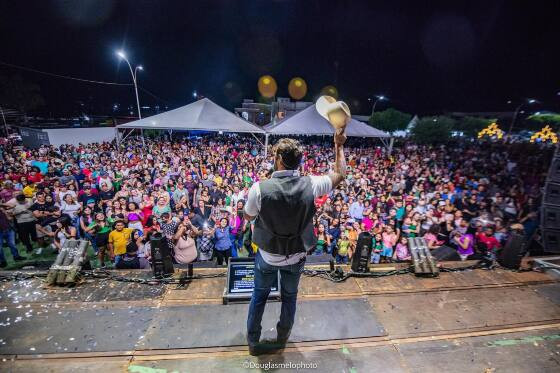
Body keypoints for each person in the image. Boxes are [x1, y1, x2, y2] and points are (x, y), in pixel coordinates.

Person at [244, 130, 346, 355]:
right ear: (298, 160)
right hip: (296, 256)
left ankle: (253, 342)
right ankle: (282, 339)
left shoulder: (259, 188)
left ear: (278, 159)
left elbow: (248, 216)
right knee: (289, 297)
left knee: (259, 296)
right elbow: (340, 174)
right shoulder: (312, 184)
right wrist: (338, 145)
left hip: (268, 256)